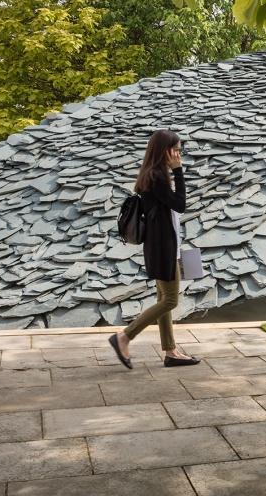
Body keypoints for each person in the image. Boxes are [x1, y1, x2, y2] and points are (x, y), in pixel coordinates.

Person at [108, 130, 200, 369]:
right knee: (170, 301)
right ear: (165, 150)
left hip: (164, 245)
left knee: (163, 298)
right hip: (162, 248)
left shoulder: (154, 174)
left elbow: (168, 214)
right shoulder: (156, 176)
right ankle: (125, 336)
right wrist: (179, 172)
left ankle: (171, 352)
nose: (180, 154)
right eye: (177, 150)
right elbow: (179, 205)